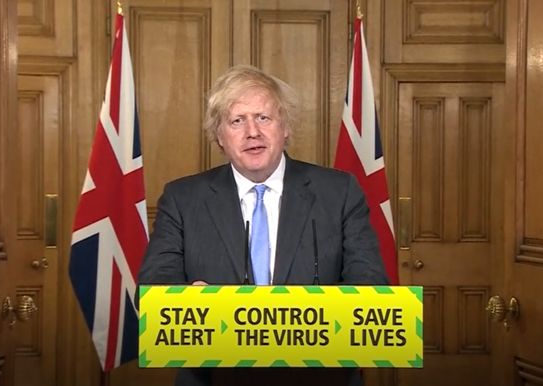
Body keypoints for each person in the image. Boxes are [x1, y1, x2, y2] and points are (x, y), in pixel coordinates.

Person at [138, 65, 389, 386]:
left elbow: (370, 288)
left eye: (263, 118)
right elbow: (153, 289)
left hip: (320, 378)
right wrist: (183, 300)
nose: (252, 131)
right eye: (237, 120)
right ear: (219, 136)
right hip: (214, 377)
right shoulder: (183, 198)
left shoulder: (339, 191)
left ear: (285, 127)